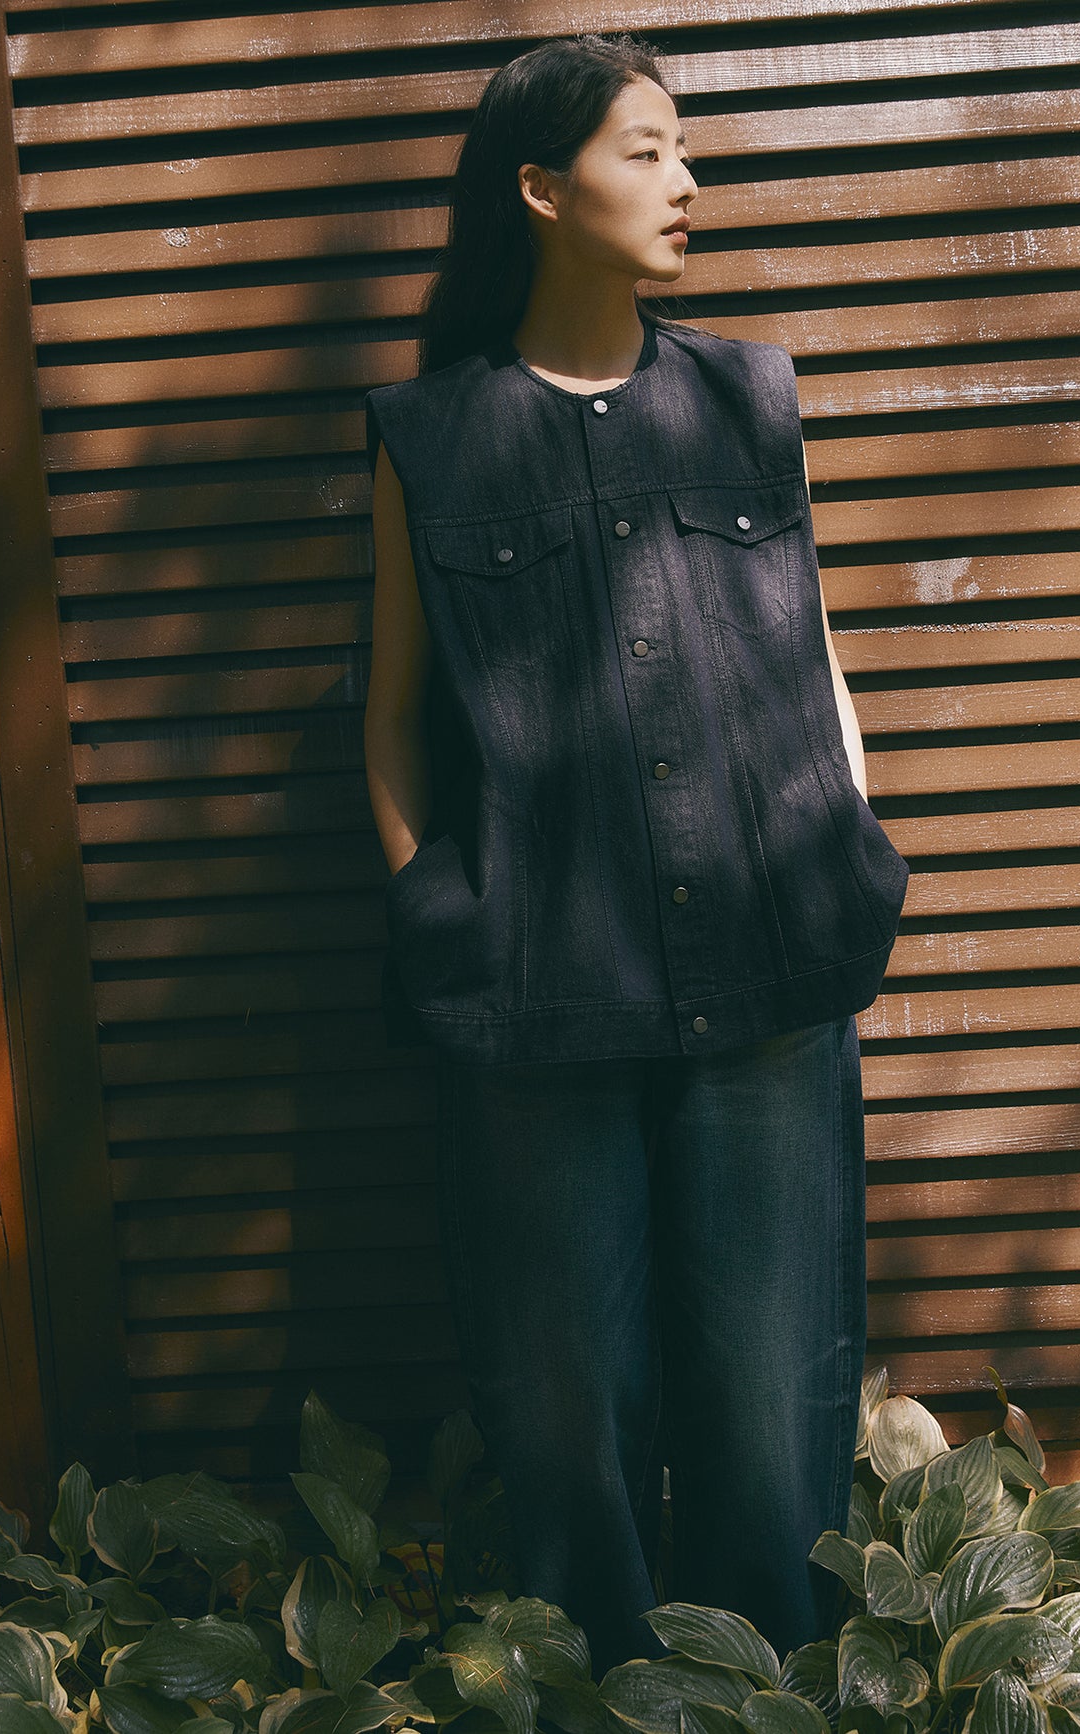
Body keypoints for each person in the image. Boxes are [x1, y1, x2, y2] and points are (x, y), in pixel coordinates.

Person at [361, 33, 909, 1677]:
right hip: (534, 984)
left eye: (683, 149)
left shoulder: (747, 397)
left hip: (771, 955)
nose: (686, 180)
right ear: (541, 189)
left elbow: (813, 655)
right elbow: (389, 715)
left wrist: (850, 838)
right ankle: (590, 1691)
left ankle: (754, 1687)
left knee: (767, 1388)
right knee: (563, 1400)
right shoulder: (432, 436)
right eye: (647, 149)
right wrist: (432, 901)